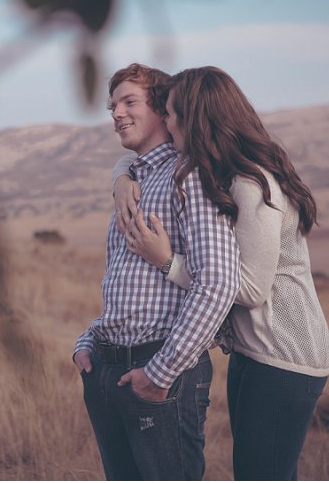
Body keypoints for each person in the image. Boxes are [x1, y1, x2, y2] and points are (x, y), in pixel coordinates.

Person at [112, 66, 329, 480]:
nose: (168, 121)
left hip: (286, 355)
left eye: (175, 113)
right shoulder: (225, 174)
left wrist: (166, 260)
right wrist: (122, 176)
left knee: (262, 474)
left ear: (198, 118)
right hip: (256, 352)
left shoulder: (252, 183)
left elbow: (249, 288)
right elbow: (135, 158)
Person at [73, 63, 241, 481]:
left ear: (163, 111)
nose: (116, 114)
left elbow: (218, 282)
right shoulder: (132, 183)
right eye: (112, 105)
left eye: (129, 102)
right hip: (108, 371)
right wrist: (89, 340)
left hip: (162, 374)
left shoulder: (190, 177)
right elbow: (125, 282)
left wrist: (159, 374)